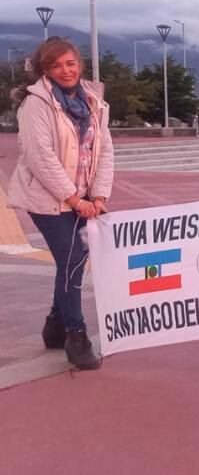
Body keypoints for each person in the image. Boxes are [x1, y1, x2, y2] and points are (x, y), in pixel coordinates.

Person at [6, 37, 114, 370]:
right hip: (47, 198)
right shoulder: (36, 103)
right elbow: (41, 158)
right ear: (44, 69)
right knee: (72, 259)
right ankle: (75, 334)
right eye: (55, 65)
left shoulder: (94, 101)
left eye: (70, 63)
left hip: (83, 197)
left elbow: (104, 151)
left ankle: (54, 325)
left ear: (79, 64)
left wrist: (98, 196)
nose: (65, 71)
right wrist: (73, 199)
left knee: (73, 260)